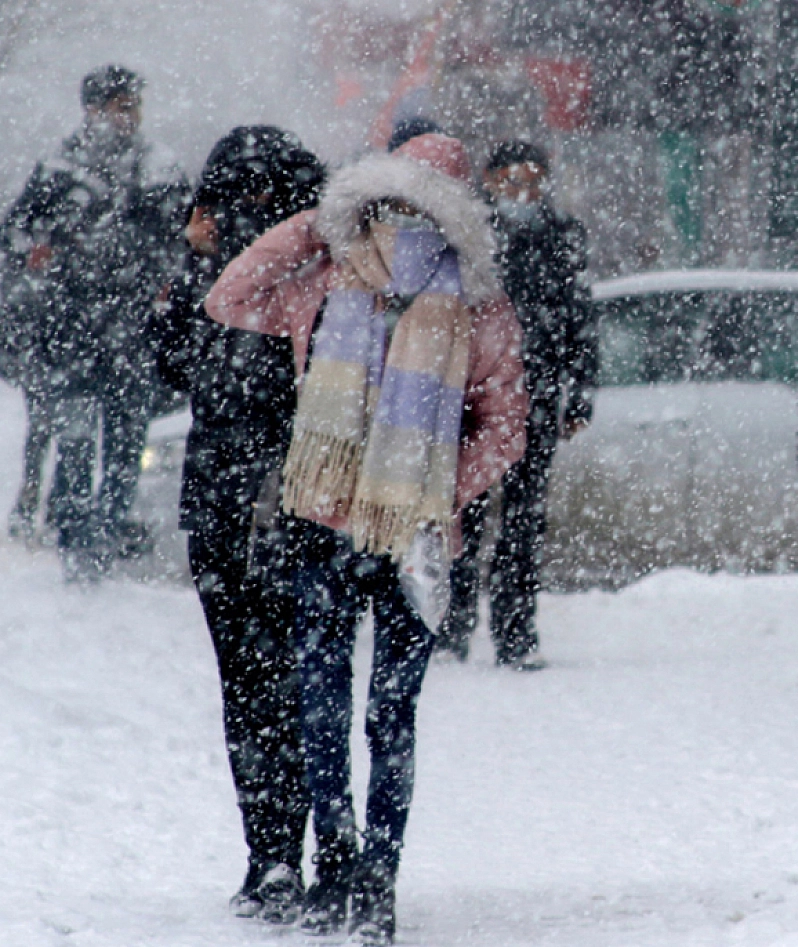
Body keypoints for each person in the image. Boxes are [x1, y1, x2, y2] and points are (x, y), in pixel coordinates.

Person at [207, 134, 527, 945]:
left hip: (378, 534)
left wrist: (427, 491)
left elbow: (506, 426)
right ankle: (360, 871)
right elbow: (228, 295)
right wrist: (320, 224)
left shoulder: (443, 297)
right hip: (364, 532)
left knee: (353, 707)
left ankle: (356, 870)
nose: (398, 217)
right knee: (364, 711)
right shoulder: (348, 279)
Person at [148, 126, 325, 924]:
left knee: (283, 682)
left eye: (259, 196)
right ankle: (274, 851)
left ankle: (293, 849)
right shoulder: (215, 275)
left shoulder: (311, 271)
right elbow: (168, 363)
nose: (245, 212)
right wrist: (191, 262)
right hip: (231, 502)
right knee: (255, 684)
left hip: (290, 498)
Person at [0, 65, 189, 579]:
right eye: (121, 107)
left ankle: (104, 541)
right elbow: (12, 233)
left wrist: (168, 278)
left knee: (126, 449)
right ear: (94, 110)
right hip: (71, 333)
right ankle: (77, 546)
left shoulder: (159, 168)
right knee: (77, 445)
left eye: (134, 106)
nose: (131, 116)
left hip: (132, 333)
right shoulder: (58, 170)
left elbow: (184, 239)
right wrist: (36, 248)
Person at [434, 140, 596, 669]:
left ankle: (516, 633)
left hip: (536, 395)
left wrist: (580, 395)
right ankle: (452, 627)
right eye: (512, 181)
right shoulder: (467, 232)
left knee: (524, 521)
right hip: (475, 397)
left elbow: (580, 316)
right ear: (490, 180)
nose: (523, 193)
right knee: (465, 514)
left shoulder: (562, 235)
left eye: (533, 182)